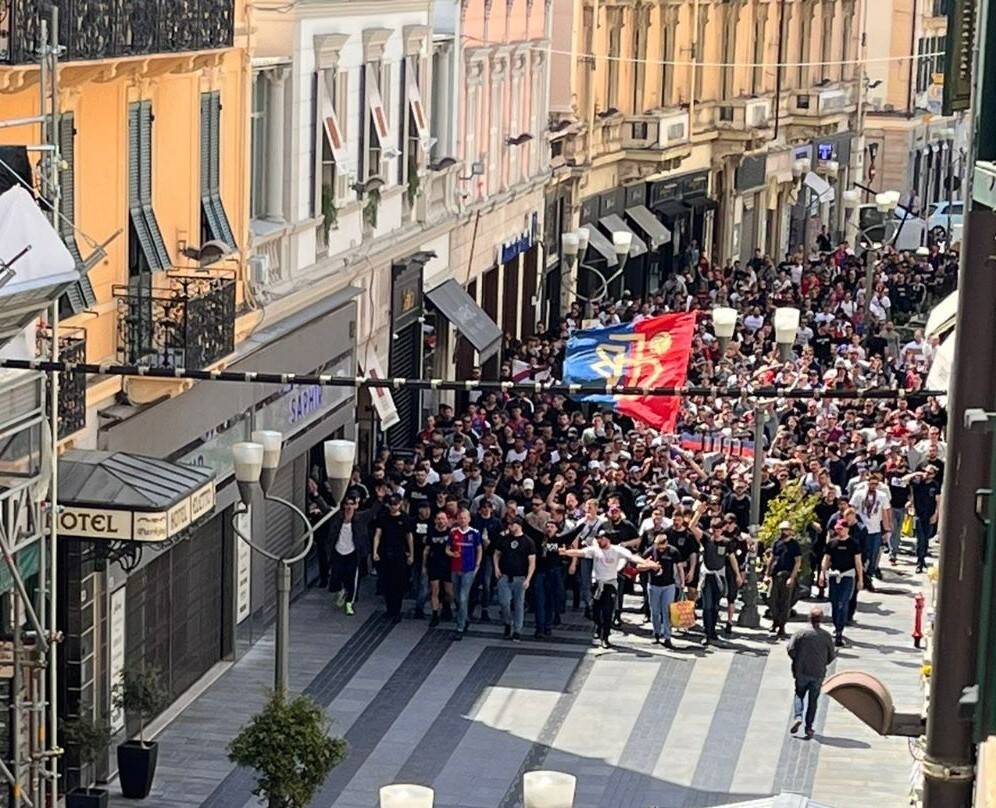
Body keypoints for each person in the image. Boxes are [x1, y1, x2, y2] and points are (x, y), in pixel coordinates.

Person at [559, 530, 660, 649]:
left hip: (610, 584)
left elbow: (632, 557)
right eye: (597, 539)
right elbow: (580, 552)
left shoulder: (616, 550)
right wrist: (566, 552)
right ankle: (599, 627)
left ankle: (605, 638)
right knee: (595, 612)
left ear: (607, 539)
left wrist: (647, 562)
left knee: (607, 612)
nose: (599, 541)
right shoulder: (594, 550)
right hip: (597, 585)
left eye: (601, 538)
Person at [787, 607, 837, 739]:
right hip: (818, 672)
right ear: (821, 619)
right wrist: (822, 663)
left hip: (802, 670)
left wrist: (797, 660)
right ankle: (809, 727)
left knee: (799, 694)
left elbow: (790, 649)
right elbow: (831, 656)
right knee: (813, 700)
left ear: (809, 618)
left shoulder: (800, 634)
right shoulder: (826, 636)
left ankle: (798, 716)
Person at [819, 519, 864, 646]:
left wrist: (860, 579)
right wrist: (822, 574)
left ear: (847, 529)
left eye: (841, 529)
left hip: (847, 576)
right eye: (837, 529)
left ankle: (840, 629)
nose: (839, 531)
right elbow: (826, 559)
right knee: (834, 602)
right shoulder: (832, 543)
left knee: (843, 603)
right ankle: (836, 626)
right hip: (834, 575)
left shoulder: (853, 544)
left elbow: (858, 562)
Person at [327, 495, 373, 616]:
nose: (349, 507)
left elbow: (373, 512)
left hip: (353, 553)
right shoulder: (338, 517)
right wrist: (316, 495)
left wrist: (379, 499)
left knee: (352, 579)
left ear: (356, 506)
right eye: (347, 504)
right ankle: (340, 591)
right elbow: (325, 509)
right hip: (338, 551)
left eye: (351, 504)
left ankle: (349, 603)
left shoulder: (360, 518)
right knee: (336, 576)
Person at [371, 494, 414, 623]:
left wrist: (411, 554)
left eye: (395, 504)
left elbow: (409, 536)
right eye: (391, 504)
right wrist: (375, 552)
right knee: (386, 582)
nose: (393, 507)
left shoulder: (404, 518)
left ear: (400, 504)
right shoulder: (383, 517)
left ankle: (397, 610)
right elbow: (378, 534)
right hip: (385, 553)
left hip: (399, 553)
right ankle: (389, 609)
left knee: (398, 584)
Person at [494, 518, 536, 640]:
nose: (510, 526)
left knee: (519, 605)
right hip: (505, 575)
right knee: (504, 602)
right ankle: (508, 622)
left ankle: (517, 630)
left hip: (520, 577)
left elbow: (532, 562)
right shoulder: (504, 539)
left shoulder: (528, 542)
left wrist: (528, 579)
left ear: (519, 525)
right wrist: (496, 568)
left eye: (512, 524)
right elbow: (497, 554)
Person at [446, 508, 483, 639]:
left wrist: (477, 565)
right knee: (456, 597)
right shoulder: (453, 532)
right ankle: (465, 617)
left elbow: (479, 549)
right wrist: (452, 554)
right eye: (460, 518)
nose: (462, 520)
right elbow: (447, 549)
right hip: (455, 568)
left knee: (463, 597)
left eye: (465, 518)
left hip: (468, 569)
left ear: (469, 519)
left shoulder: (475, 533)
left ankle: (460, 627)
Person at [643, 533, 684, 648]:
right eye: (658, 546)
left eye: (662, 547)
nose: (660, 549)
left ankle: (667, 636)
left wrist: (682, 582)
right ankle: (656, 632)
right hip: (654, 585)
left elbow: (680, 567)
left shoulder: (673, 551)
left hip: (668, 585)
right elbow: (640, 565)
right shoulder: (650, 551)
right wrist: (650, 565)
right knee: (655, 611)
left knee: (667, 612)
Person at [766, 520, 802, 639]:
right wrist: (767, 574)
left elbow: (798, 562)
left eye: (786, 530)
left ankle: (781, 625)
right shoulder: (777, 543)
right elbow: (772, 558)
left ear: (791, 531)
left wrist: (792, 577)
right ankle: (775, 621)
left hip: (787, 575)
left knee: (785, 602)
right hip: (776, 575)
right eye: (782, 530)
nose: (784, 532)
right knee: (771, 598)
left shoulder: (794, 545)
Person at [423, 509, 454, 626]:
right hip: (434, 564)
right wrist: (424, 566)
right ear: (435, 520)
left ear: (447, 520)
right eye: (439, 519)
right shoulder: (431, 532)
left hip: (447, 565)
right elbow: (426, 550)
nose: (441, 521)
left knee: (449, 592)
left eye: (443, 518)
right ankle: (435, 614)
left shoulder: (451, 533)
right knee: (434, 590)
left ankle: (447, 606)